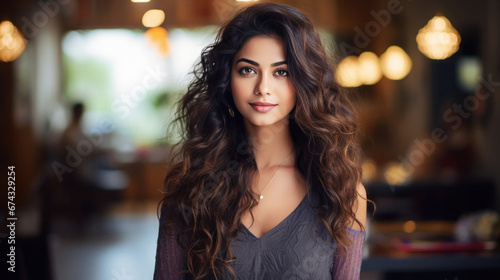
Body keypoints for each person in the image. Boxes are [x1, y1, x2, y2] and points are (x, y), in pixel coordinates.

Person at [154, 3, 368, 279]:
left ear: (304, 81)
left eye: (281, 72)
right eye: (248, 70)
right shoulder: (191, 186)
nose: (263, 88)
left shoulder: (343, 192)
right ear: (227, 80)